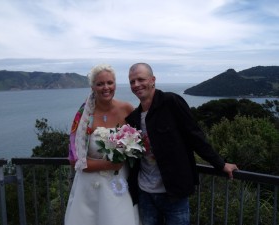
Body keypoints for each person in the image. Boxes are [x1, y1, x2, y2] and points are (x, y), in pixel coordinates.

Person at [126, 63, 238, 225]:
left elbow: (195, 136)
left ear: (152, 80)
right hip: (145, 193)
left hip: (174, 192)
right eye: (132, 81)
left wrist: (220, 164)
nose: (136, 85)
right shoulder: (134, 118)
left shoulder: (171, 102)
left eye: (140, 79)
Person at [65, 64, 139, 225]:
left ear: (115, 84)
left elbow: (141, 139)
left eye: (110, 83)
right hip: (90, 188)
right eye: (100, 84)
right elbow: (75, 160)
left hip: (119, 183)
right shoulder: (84, 117)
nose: (106, 88)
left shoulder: (127, 109)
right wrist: (108, 164)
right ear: (92, 87)